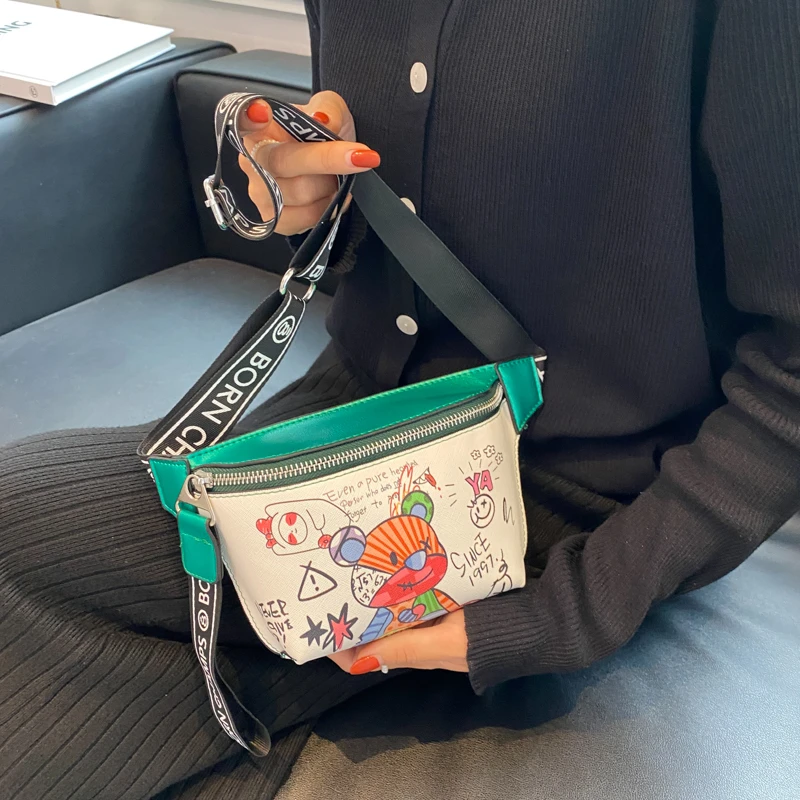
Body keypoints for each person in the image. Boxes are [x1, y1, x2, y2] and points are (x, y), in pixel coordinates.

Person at [1, 1, 798, 798]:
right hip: (353, 420)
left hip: (584, 501)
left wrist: (569, 612)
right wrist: (304, 194)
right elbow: (384, 211)